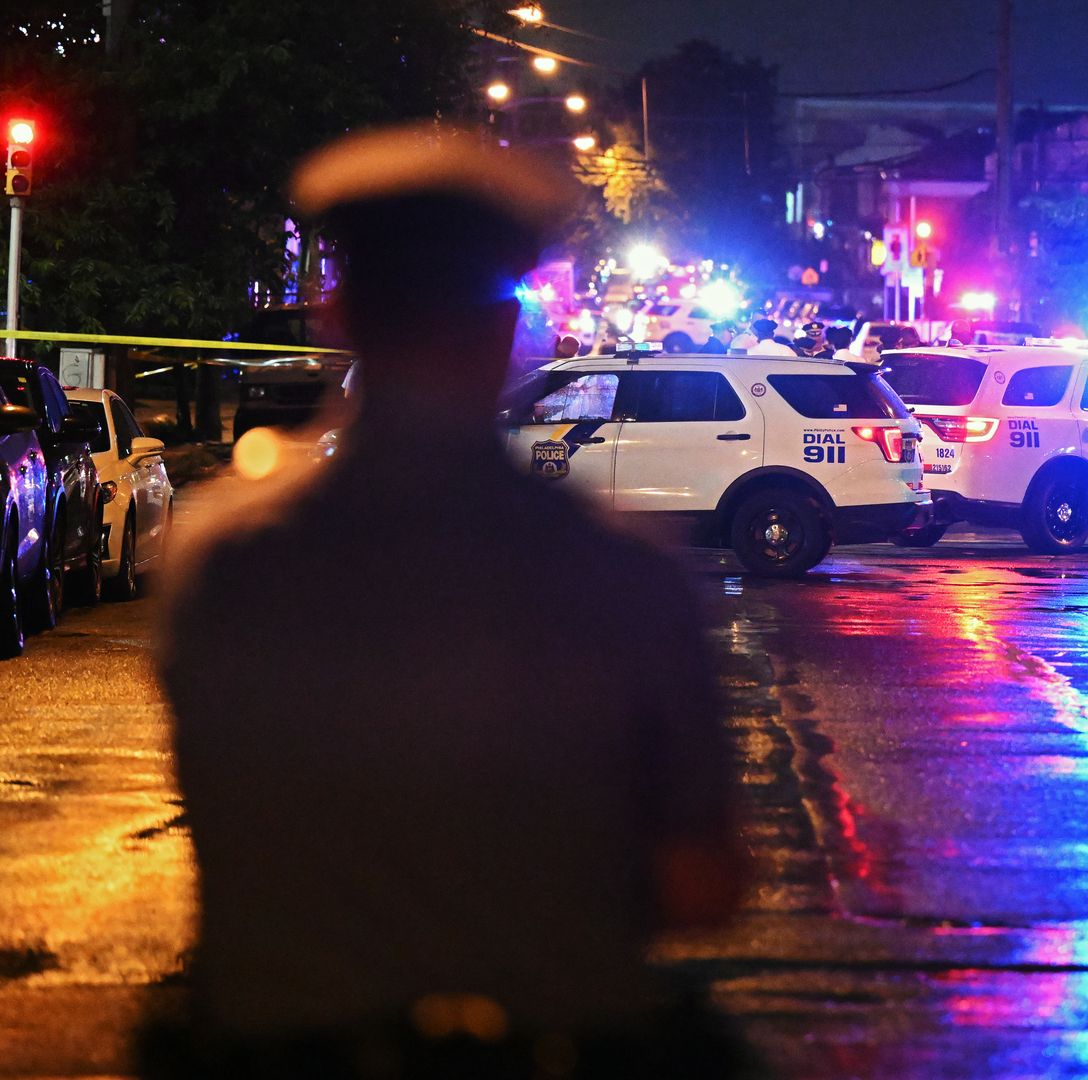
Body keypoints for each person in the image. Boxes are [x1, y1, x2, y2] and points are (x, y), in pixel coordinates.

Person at [152, 123, 746, 1075]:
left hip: (279, 1051)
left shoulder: (224, 557)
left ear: (337, 314)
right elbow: (703, 883)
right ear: (506, 331)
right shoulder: (624, 572)